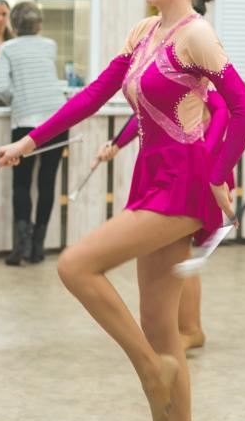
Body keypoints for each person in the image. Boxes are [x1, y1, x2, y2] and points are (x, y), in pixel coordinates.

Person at [0, 0, 245, 421]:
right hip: (151, 175)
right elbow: (95, 95)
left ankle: (148, 369)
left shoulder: (196, 35)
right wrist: (28, 141)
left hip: (183, 180)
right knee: (159, 324)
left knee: (76, 265)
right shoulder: (144, 33)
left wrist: (219, 173)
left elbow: (244, 109)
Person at [96, 86, 231, 350]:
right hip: (168, 165)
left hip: (195, 166)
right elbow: (146, 114)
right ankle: (183, 328)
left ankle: (190, 330)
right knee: (171, 248)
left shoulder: (196, 69)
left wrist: (206, 159)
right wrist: (116, 144)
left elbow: (222, 110)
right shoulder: (158, 70)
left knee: (178, 247)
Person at [0, 0, 67, 265]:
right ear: (39, 24)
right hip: (58, 119)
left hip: (26, 122)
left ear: (13, 25)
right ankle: (37, 248)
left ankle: (21, 248)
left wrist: (20, 99)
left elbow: (1, 87)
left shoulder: (7, 48)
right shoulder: (50, 45)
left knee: (22, 183)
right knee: (47, 182)